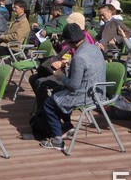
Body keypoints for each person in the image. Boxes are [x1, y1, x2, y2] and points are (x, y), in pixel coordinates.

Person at [39, 23, 106, 151]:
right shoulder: (94, 47)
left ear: (69, 42)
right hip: (98, 91)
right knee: (58, 92)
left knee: (49, 103)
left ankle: (57, 140)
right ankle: (67, 126)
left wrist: (60, 76)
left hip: (86, 95)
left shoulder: (79, 57)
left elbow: (74, 86)